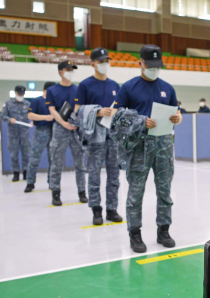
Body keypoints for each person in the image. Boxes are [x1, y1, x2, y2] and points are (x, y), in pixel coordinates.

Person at [114, 44, 182, 252]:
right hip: (138, 146)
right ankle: (135, 233)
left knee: (165, 190)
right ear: (140, 63)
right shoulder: (128, 87)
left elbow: (176, 112)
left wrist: (178, 118)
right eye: (149, 65)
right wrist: (140, 122)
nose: (154, 69)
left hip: (163, 144)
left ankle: (164, 230)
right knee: (136, 192)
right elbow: (116, 119)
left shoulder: (167, 88)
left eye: (157, 65)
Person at [74, 48, 123, 225]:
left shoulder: (115, 85)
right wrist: (97, 112)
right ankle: (96, 210)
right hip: (94, 137)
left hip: (112, 135)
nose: (105, 64)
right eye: (101, 61)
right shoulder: (85, 85)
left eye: (107, 60)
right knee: (94, 174)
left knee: (114, 175)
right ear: (92, 63)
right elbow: (77, 112)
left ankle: (112, 209)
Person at [47, 60, 87, 206]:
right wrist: (63, 123)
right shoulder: (52, 90)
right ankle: (55, 193)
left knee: (80, 164)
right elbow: (52, 110)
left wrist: (76, 123)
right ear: (61, 72)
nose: (71, 72)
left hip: (76, 130)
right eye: (68, 69)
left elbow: (81, 108)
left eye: (72, 69)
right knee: (56, 163)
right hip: (60, 129)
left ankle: (82, 192)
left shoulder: (78, 89)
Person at [24, 82, 56, 193]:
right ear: (46, 90)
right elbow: (30, 115)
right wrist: (45, 117)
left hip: (53, 131)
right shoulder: (36, 101)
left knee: (53, 159)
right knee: (34, 158)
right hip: (41, 131)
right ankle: (30, 182)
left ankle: (52, 182)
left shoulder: (55, 102)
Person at [2, 85, 32, 182]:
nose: (21, 95)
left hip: (24, 133)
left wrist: (33, 121)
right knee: (13, 155)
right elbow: (3, 116)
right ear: (15, 93)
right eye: (19, 94)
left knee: (26, 154)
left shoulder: (27, 104)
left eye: (22, 94)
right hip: (13, 134)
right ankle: (15, 174)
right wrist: (9, 119)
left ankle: (26, 173)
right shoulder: (8, 104)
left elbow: (32, 115)